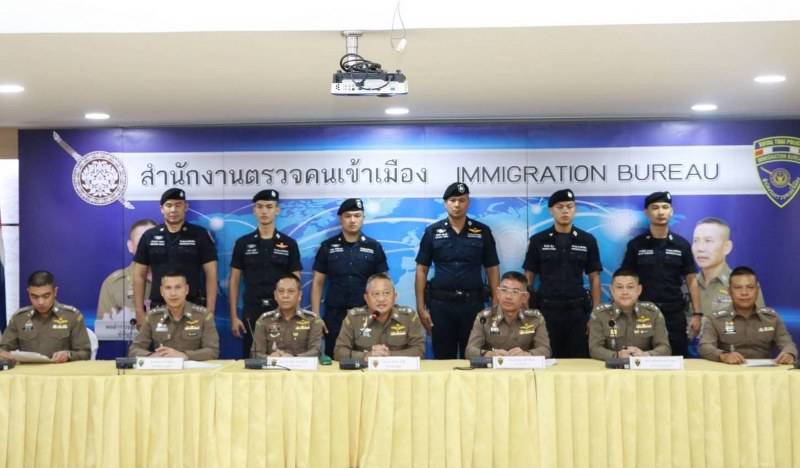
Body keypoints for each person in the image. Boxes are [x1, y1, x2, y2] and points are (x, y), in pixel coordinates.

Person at [416, 182, 500, 359]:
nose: (457, 205)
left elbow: (492, 269)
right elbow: (422, 269)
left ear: (468, 203)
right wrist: (420, 307)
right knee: (442, 358)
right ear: (445, 203)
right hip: (441, 307)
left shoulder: (483, 232)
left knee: (474, 358)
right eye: (452, 200)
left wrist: (495, 305)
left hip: (473, 307)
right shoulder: (432, 232)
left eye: (462, 200)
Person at [522, 189, 601, 358]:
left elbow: (594, 278)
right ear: (551, 210)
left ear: (575, 209)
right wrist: (527, 312)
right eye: (560, 207)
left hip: (577, 313)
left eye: (569, 206)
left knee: (579, 360)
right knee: (547, 359)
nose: (565, 211)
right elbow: (528, 278)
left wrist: (595, 315)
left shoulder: (587, 240)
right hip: (546, 312)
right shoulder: (538, 240)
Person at [621, 191, 701, 357]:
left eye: (665, 207)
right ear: (647, 212)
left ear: (671, 211)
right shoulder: (636, 245)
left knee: (677, 359)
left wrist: (697, 314)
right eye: (655, 207)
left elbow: (691, 280)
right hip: (643, 313)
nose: (660, 212)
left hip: (674, 314)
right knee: (640, 359)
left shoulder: (682, 245)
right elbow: (626, 280)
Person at [311, 198, 388, 356]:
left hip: (366, 315)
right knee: (335, 358)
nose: (352, 220)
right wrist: (316, 315)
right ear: (341, 218)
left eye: (357, 216)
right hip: (335, 316)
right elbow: (318, 283)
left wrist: (382, 313)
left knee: (368, 358)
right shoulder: (328, 246)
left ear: (363, 218)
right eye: (348, 216)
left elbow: (384, 285)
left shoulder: (374, 247)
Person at [229, 190, 301, 357]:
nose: (264, 211)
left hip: (281, 309)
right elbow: (235, 280)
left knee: (284, 355)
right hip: (252, 309)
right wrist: (234, 316)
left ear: (277, 210)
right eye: (260, 207)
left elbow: (296, 281)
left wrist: (296, 313)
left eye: (269, 207)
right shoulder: (243, 243)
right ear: (254, 211)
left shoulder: (289, 244)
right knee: (253, 358)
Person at [132, 188, 218, 328]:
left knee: (192, 343)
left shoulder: (200, 235)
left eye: (178, 205)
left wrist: (210, 310)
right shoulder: (149, 236)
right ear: (162, 209)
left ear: (186, 207)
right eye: (169, 205)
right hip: (159, 308)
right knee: (160, 343)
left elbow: (211, 274)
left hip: (192, 307)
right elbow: (139, 275)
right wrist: (139, 311)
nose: (173, 210)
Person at [699, 266, 796, 364]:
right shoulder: (716, 319)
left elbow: (788, 344)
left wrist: (789, 353)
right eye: (738, 288)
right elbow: (705, 346)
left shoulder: (771, 318)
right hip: (730, 370)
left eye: (750, 287)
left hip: (763, 371)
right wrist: (723, 355)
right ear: (729, 291)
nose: (744, 293)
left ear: (757, 290)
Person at [0, 270, 91, 363]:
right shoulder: (19, 318)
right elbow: (3, 349)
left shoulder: (72, 316)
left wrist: (68, 355)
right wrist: (3, 354)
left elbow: (86, 353)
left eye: (46, 296)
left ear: (55, 292)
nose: (41, 302)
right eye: (34, 297)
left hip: (61, 370)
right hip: (29, 371)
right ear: (28, 293)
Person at [128, 270, 219, 360]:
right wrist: (153, 356)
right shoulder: (153, 317)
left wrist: (185, 355)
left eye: (178, 287)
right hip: (163, 368)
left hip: (193, 369)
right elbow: (133, 350)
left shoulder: (203, 316)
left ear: (186, 289)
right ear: (161, 291)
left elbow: (213, 351)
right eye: (168, 288)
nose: (173, 293)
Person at [333, 272, 425, 360]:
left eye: (386, 293)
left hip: (398, 370)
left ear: (394, 296)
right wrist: (365, 356)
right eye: (376, 294)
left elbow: (419, 350)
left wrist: (390, 355)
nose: (381, 299)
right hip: (365, 370)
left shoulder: (408, 317)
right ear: (366, 298)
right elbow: (339, 351)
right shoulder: (354, 318)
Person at [588, 268, 671, 360]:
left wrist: (646, 355)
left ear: (639, 290)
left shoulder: (652, 313)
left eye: (630, 287)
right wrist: (617, 356)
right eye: (619, 287)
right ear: (612, 290)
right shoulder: (600, 314)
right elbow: (594, 349)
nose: (625, 292)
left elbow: (665, 348)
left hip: (644, 367)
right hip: (611, 367)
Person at [465, 271, 551, 358]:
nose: (508, 297)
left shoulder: (535, 319)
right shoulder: (484, 318)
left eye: (515, 292)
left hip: (523, 366)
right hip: (493, 366)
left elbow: (546, 350)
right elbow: (469, 351)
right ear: (498, 293)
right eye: (504, 290)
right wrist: (490, 354)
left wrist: (526, 354)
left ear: (525, 297)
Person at [691, 217, 765, 316]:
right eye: (695, 241)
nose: (700, 248)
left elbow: (758, 322)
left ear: (727, 247)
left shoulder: (744, 285)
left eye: (708, 241)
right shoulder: (687, 285)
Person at [96, 218, 157, 323]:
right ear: (130, 246)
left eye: (153, 241)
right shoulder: (114, 284)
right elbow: (105, 328)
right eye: (142, 242)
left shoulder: (175, 280)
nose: (148, 247)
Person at [251, 274, 323, 358]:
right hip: (272, 365)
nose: (285, 295)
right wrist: (270, 358)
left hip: (300, 366)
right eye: (281, 291)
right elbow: (255, 353)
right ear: (275, 295)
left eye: (291, 291)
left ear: (299, 295)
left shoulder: (312, 320)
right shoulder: (264, 320)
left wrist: (293, 358)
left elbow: (316, 351)